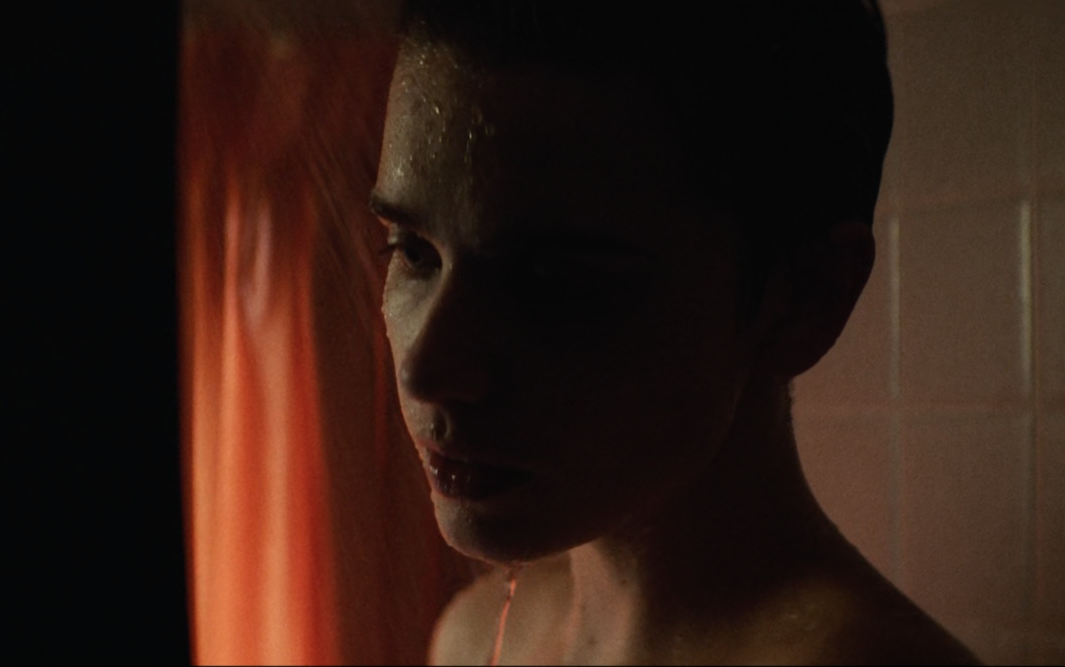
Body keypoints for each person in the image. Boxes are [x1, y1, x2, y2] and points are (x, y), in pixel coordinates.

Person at [368, 1, 978, 663]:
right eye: (413, 250)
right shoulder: (476, 636)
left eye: (550, 278)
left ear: (805, 298)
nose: (425, 368)